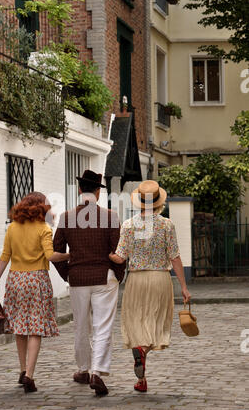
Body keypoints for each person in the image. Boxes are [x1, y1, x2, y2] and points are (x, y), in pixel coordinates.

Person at [109, 180, 191, 393]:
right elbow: (175, 257)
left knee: (137, 324)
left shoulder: (128, 225)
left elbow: (120, 258)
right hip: (159, 279)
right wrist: (183, 286)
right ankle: (143, 353)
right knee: (156, 322)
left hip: (136, 280)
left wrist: (106, 255)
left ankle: (141, 377)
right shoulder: (166, 225)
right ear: (158, 202)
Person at [53, 170, 126, 396]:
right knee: (103, 326)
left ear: (79, 190)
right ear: (97, 192)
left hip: (78, 278)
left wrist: (68, 272)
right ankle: (97, 371)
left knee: (81, 325)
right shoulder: (110, 216)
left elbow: (56, 252)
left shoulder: (66, 217)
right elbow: (119, 250)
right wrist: (118, 273)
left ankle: (83, 369)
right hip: (104, 276)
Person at [0, 192, 69, 393]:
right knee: (35, 328)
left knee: (19, 326)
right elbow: (51, 256)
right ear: (40, 208)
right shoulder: (44, 229)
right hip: (36, 280)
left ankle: (22, 368)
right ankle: (29, 376)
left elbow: (5, 256)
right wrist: (71, 254)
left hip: (15, 280)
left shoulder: (12, 228)